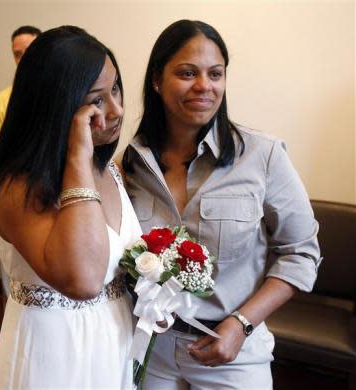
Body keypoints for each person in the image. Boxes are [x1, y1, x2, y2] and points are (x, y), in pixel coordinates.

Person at [123, 20, 321, 389]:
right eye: (187, 73)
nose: (204, 86)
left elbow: (301, 253)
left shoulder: (263, 155)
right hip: (151, 348)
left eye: (215, 74)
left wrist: (242, 324)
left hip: (234, 351)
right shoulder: (131, 163)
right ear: (156, 80)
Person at [0, 26, 141, 389]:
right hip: (55, 350)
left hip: (115, 336)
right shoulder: (17, 187)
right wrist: (77, 154)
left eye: (116, 89)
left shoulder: (110, 169)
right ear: (56, 105)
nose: (117, 110)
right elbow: (83, 279)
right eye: (97, 100)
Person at [0, 25, 41, 296]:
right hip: (18, 199)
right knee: (16, 276)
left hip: (58, 196)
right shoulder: (1, 103)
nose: (23, 59)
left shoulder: (69, 94)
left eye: (29, 51)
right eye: (17, 54)